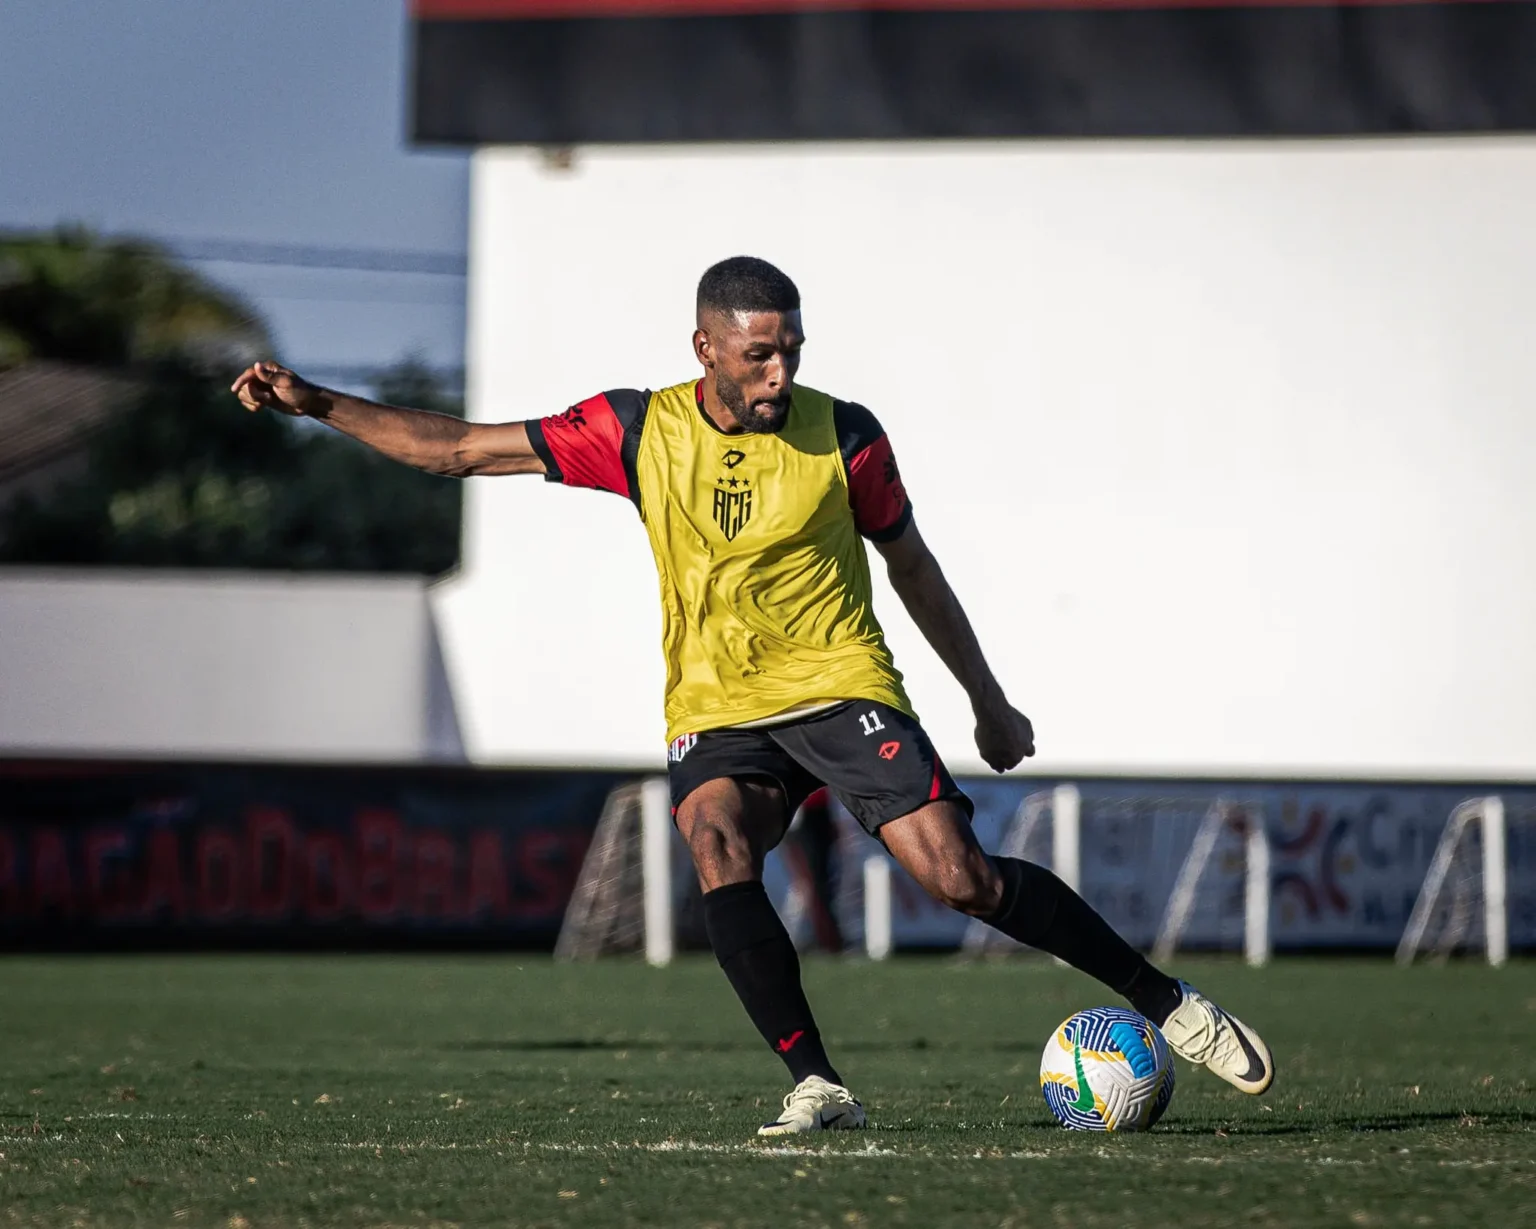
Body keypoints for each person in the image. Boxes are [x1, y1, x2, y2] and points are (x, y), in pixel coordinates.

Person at [231, 256, 1274, 1136]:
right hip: (717, 705)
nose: (779, 373)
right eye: (758, 355)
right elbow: (455, 447)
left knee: (958, 878)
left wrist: (986, 701)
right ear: (706, 351)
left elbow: (914, 567)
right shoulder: (636, 430)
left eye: (792, 351)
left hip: (839, 685)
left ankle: (1166, 1001)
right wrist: (314, 401)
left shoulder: (846, 436)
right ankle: (819, 1083)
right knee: (718, 845)